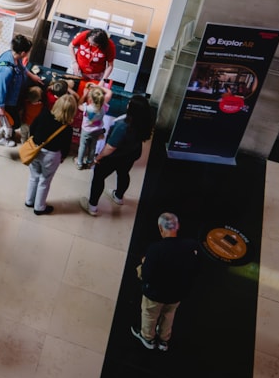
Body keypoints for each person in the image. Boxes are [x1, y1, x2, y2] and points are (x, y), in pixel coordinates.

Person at [131, 212, 200, 351]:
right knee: (169, 314)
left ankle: (148, 338)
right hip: (177, 293)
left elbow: (147, 275)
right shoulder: (191, 246)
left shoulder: (155, 249)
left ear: (160, 228)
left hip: (155, 294)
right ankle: (163, 340)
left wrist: (144, 264)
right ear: (178, 226)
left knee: (150, 314)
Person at [80, 94, 153, 215]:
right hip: (132, 153)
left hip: (115, 156)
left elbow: (111, 147)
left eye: (130, 103)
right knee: (123, 173)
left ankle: (92, 206)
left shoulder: (123, 126)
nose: (127, 104)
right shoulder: (144, 122)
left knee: (99, 176)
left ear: (132, 109)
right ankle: (118, 196)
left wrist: (99, 157)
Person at [24, 92, 76, 215]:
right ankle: (39, 207)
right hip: (51, 156)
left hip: (35, 150)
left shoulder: (44, 114)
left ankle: (29, 201)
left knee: (34, 176)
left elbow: (32, 128)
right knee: (45, 180)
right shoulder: (67, 128)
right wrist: (62, 157)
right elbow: (65, 146)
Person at [0, 34, 43, 130]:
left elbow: (22, 68)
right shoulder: (6, 71)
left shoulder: (13, 55)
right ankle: (4, 134)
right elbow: (1, 90)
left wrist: (31, 75)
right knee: (13, 123)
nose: (28, 54)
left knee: (12, 118)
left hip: (14, 96)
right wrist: (1, 108)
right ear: (22, 53)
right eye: (28, 52)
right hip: (7, 102)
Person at [77, 84, 107, 170]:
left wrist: (84, 94)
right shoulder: (104, 108)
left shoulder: (88, 108)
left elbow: (79, 105)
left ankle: (79, 163)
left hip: (86, 130)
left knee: (83, 146)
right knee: (93, 146)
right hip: (97, 130)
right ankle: (89, 161)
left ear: (91, 99)